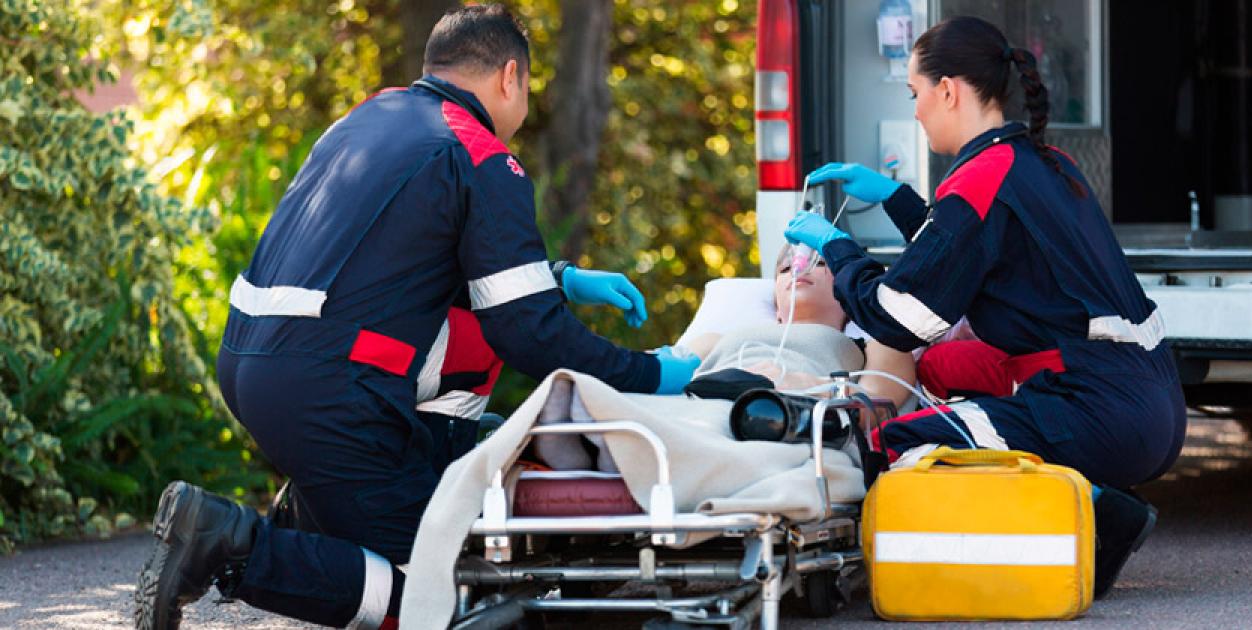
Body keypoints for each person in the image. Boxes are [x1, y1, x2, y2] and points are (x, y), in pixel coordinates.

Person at [133, 5, 700, 630]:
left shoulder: (369, 119)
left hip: (252, 361)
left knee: (401, 529)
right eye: (529, 89)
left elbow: (399, 259)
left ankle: (310, 518)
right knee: (448, 593)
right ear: (510, 76)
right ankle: (229, 544)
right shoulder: (482, 156)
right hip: (330, 391)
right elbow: (528, 332)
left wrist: (558, 278)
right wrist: (649, 375)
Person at [783, 16, 1185, 599]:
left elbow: (900, 317)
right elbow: (969, 245)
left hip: (1099, 409)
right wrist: (896, 198)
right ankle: (1097, 507)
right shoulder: (1045, 163)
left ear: (948, 90)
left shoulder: (981, 178)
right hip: (1149, 401)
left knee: (899, 443)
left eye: (916, 94)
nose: (916, 111)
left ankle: (1089, 516)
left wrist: (838, 249)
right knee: (947, 371)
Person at [685, 244, 916, 408]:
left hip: (780, 419)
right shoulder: (714, 341)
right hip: (698, 410)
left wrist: (808, 386)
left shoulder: (879, 345)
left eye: (821, 263)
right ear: (776, 306)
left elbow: (878, 405)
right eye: (785, 270)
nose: (799, 269)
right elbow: (660, 371)